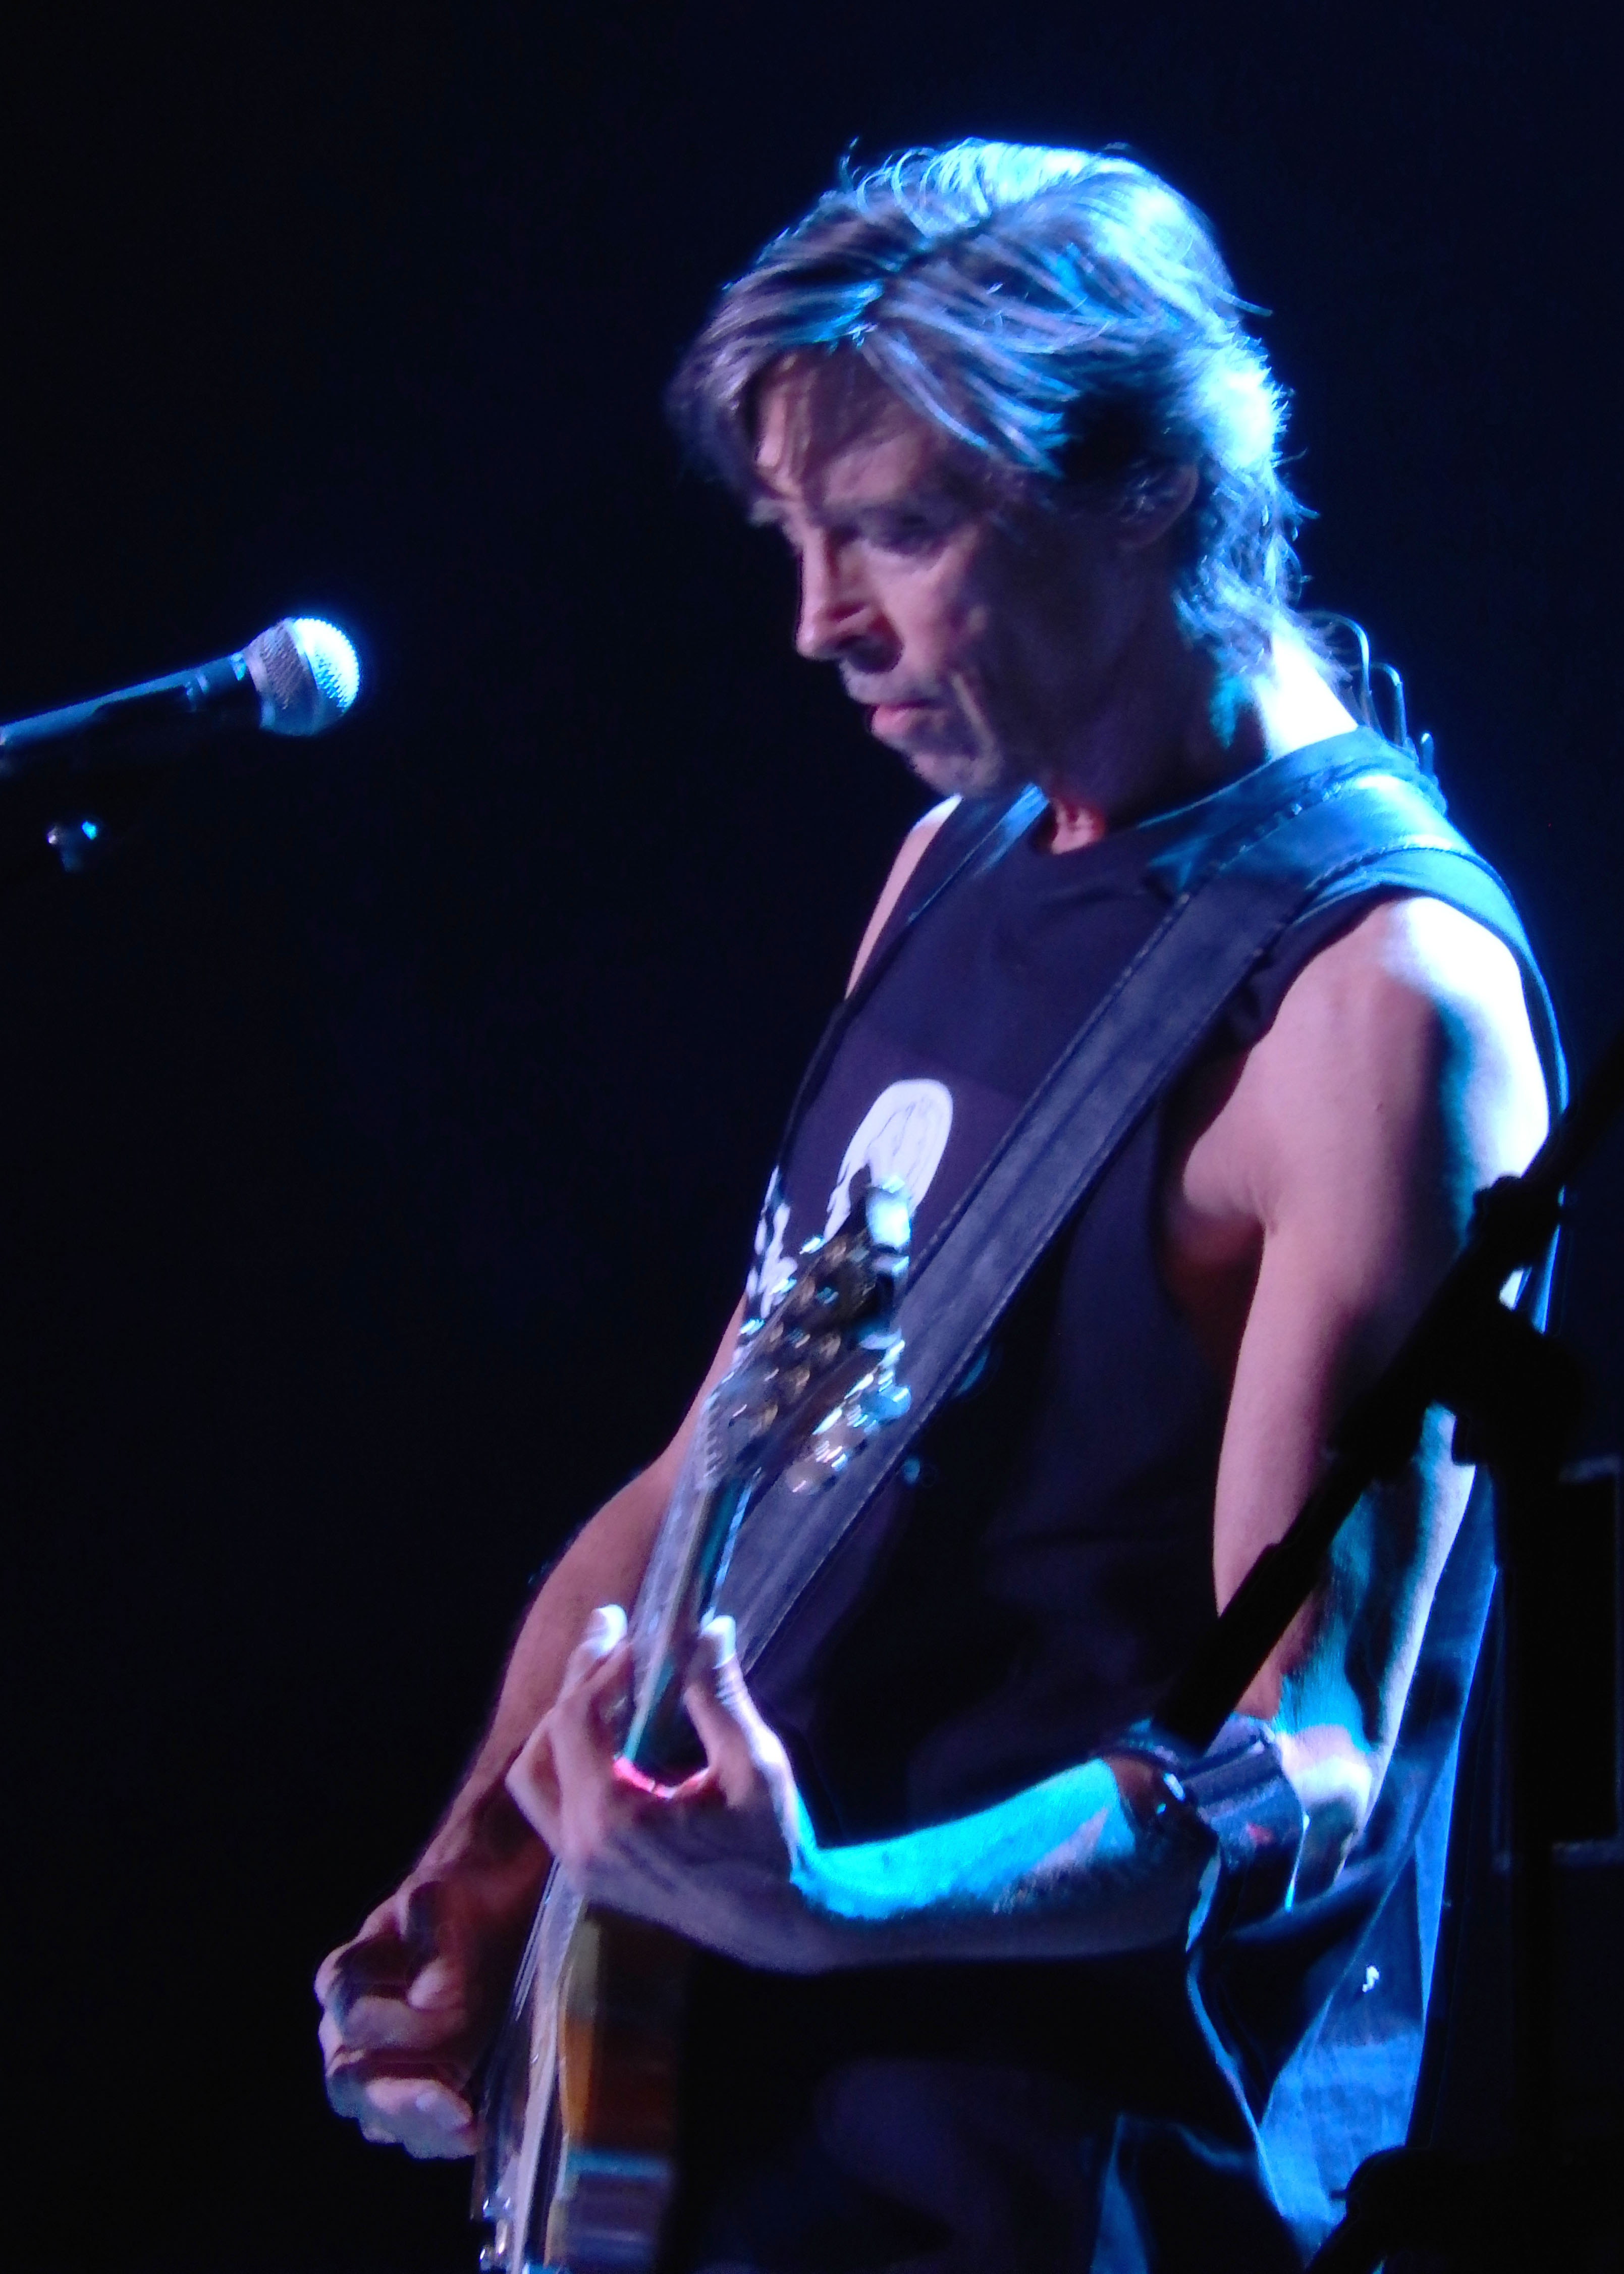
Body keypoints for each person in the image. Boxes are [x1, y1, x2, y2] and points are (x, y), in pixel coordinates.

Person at [315, 143, 1556, 2269]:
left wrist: (832, 1901)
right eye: (795, 538)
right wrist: (485, 1851)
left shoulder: (1375, 1000)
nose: (819, 621)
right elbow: (713, 1465)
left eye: (895, 528)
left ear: (1152, 481)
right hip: (711, 2118)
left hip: (1007, 2182)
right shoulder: (957, 856)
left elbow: (1309, 1756)